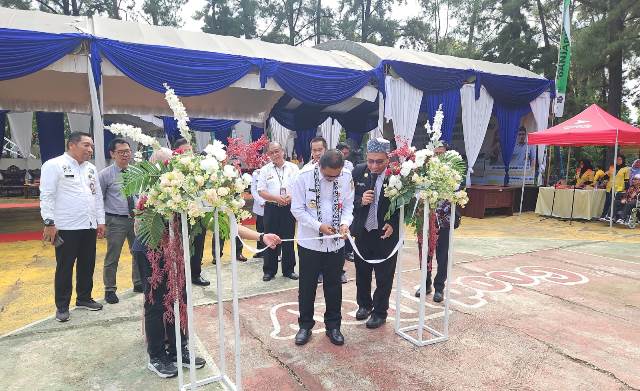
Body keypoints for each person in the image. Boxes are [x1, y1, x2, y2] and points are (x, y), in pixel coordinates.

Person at [135, 147, 284, 378]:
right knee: (156, 304)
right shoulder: (150, 195)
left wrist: (261, 236)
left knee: (179, 300)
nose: (172, 170)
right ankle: (156, 356)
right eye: (168, 166)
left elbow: (225, 221)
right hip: (152, 253)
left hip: (176, 254)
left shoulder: (188, 191)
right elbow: (142, 229)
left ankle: (178, 349)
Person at [290, 150, 354, 345]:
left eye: (335, 176)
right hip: (310, 242)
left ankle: (333, 326)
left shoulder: (346, 177)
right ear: (319, 166)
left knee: (334, 285)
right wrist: (319, 226)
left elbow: (348, 206)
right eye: (327, 175)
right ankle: (305, 326)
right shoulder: (303, 177)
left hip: (335, 242)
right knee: (307, 286)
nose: (331, 179)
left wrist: (345, 223)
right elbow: (297, 210)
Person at [40, 131, 106, 322]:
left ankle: (84, 298)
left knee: (87, 264)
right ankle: (62, 306)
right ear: (71, 145)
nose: (90, 149)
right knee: (65, 267)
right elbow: (47, 195)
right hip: (66, 227)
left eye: (91, 146)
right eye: (86, 145)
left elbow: (97, 196)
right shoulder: (54, 165)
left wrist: (100, 221)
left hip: (89, 225)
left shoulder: (91, 168)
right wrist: (49, 222)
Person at [351, 138, 400, 328]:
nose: (374, 166)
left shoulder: (398, 175)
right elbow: (346, 199)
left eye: (379, 162)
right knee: (362, 272)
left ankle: (380, 312)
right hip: (363, 231)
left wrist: (393, 224)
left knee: (384, 276)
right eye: (370, 160)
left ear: (388, 159)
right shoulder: (358, 171)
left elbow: (405, 205)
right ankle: (364, 305)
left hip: (385, 235)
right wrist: (360, 200)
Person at [415, 143, 463, 302]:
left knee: (442, 256)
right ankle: (425, 283)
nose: (438, 157)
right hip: (426, 220)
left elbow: (457, 196)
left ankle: (439, 287)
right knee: (424, 254)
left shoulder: (454, 173)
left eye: (441, 153)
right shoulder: (424, 170)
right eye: (435, 153)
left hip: (444, 222)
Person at [99, 138, 141, 305]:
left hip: (135, 219)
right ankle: (110, 289)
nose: (125, 154)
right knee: (112, 256)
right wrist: (101, 221)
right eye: (121, 152)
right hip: (115, 220)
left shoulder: (136, 172)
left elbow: (139, 194)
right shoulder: (105, 175)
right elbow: (98, 199)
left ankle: (138, 283)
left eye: (127, 151)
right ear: (112, 154)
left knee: (137, 252)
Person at [171, 138, 211, 286]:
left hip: (199, 213)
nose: (189, 154)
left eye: (190, 150)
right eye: (185, 151)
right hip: (178, 215)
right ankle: (178, 276)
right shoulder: (172, 170)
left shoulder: (200, 169)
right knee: (179, 246)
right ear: (176, 154)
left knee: (198, 244)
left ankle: (195, 274)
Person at [258, 142, 300, 281]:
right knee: (270, 239)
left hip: (289, 207)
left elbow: (300, 188)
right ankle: (269, 270)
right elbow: (261, 191)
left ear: (283, 151)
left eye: (277, 151)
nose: (275, 155)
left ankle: (289, 270)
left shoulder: (294, 168)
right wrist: (276, 198)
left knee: (288, 239)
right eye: (272, 153)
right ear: (268, 155)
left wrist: (292, 197)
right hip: (271, 208)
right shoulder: (265, 170)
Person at [600, 154, 631, 221]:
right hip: (610, 187)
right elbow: (607, 176)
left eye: (620, 159)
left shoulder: (626, 169)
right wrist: (603, 178)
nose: (618, 161)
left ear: (623, 160)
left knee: (614, 202)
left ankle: (612, 216)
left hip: (619, 188)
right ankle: (603, 215)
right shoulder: (612, 167)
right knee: (608, 202)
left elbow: (626, 180)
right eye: (617, 159)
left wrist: (626, 189)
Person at [250, 167, 267, 260]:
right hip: (260, 206)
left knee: (273, 229)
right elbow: (253, 190)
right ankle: (260, 251)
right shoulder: (256, 173)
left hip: (272, 204)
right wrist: (261, 201)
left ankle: (275, 253)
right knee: (260, 228)